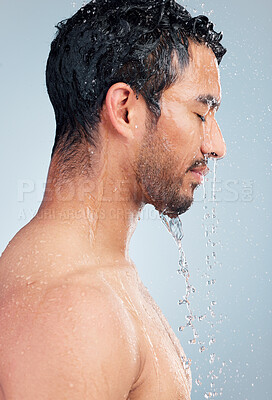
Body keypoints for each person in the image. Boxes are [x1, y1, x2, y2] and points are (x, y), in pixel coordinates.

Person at [0, 0, 227, 398]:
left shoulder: (97, 275)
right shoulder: (75, 311)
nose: (217, 145)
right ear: (125, 109)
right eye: (200, 113)